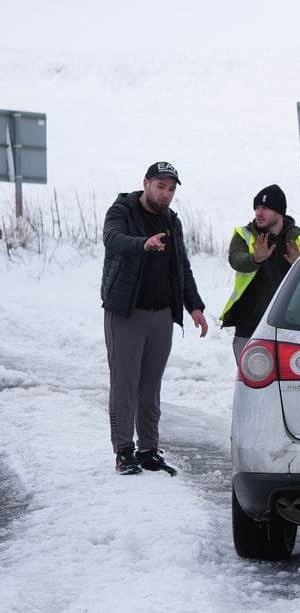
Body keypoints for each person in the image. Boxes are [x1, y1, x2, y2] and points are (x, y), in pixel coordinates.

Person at [101, 161, 208, 476]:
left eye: (172, 189)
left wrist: (195, 307)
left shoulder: (172, 222)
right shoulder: (122, 210)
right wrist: (142, 244)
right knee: (125, 384)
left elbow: (181, 268)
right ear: (145, 183)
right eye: (161, 186)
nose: (166, 194)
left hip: (161, 314)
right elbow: (112, 239)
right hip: (127, 312)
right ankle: (124, 451)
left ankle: (148, 449)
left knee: (151, 387)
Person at [220, 184, 300, 360]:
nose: (258, 213)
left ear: (279, 212)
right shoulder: (244, 234)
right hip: (249, 323)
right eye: (256, 207)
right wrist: (255, 258)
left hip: (289, 324)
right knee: (251, 380)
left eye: (265, 208)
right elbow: (236, 260)